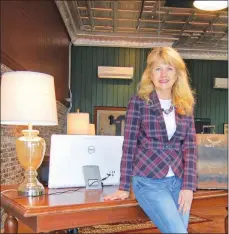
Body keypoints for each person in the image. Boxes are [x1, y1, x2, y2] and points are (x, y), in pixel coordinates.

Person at [104, 47, 197, 233]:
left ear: (177, 74)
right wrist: (124, 186)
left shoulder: (184, 104)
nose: (163, 74)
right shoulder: (139, 102)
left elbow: (190, 147)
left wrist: (188, 186)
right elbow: (129, 145)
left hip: (178, 182)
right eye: (158, 68)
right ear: (150, 74)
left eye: (169, 68)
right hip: (148, 180)